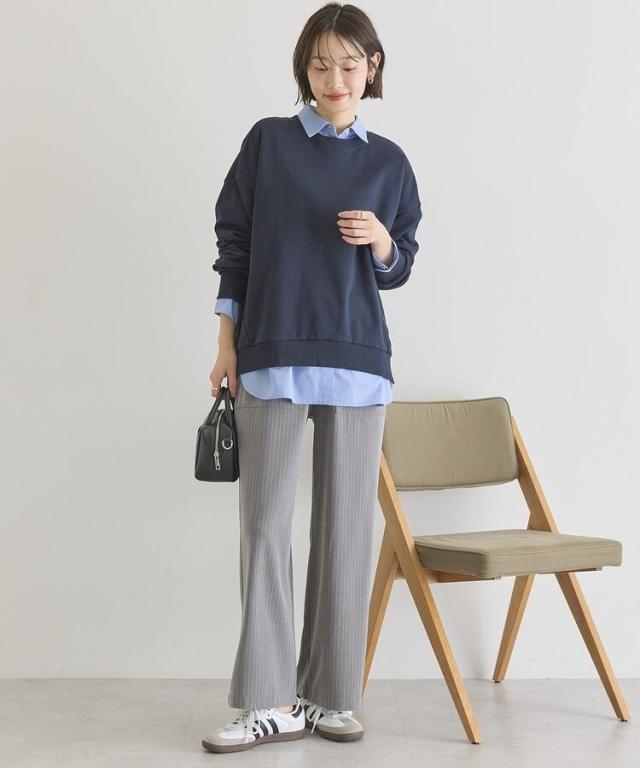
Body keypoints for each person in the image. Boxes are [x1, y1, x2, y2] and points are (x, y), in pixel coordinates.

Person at [202, 2, 422, 754]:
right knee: (265, 526)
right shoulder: (268, 143)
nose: (334, 79)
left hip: (359, 359)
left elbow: (400, 266)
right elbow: (234, 243)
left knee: (346, 532)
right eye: (320, 64)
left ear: (372, 67)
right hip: (270, 349)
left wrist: (383, 241)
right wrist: (226, 343)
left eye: (349, 65)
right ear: (304, 67)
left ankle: (330, 698)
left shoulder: (390, 162)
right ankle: (266, 702)